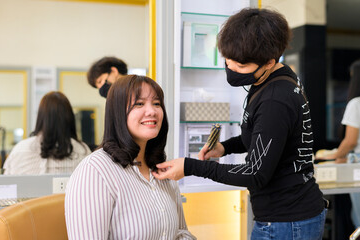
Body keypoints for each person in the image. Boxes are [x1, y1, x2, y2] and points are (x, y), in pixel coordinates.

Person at [153, 8, 327, 239]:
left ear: (268, 62)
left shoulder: (276, 99)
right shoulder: (274, 77)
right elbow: (263, 136)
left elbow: (255, 173)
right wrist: (224, 147)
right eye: (228, 61)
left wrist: (190, 167)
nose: (232, 69)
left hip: (287, 222)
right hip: (288, 214)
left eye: (241, 66)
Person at [65, 75, 195, 240]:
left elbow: (181, 233)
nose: (152, 111)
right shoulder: (95, 171)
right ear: (118, 113)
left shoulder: (162, 169)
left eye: (156, 104)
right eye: (139, 104)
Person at [317, 59, 360, 228]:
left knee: (358, 217)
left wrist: (333, 155)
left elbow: (350, 141)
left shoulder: (356, 104)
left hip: (356, 168)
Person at [3, 91, 90, 175]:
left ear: (41, 117)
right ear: (70, 118)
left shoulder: (20, 149)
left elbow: (7, 185)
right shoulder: (83, 150)